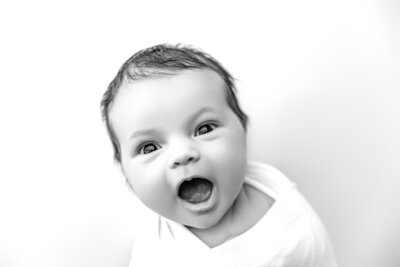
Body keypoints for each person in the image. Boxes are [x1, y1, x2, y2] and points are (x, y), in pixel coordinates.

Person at [100, 44, 337, 266]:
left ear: (242, 130)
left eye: (204, 129)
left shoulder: (275, 190)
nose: (182, 154)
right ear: (127, 176)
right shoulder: (154, 255)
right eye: (150, 147)